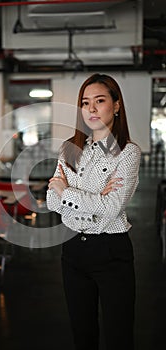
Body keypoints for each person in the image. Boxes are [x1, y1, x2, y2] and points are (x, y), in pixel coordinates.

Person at [46, 73, 141, 350]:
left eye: (100, 101)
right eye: (86, 103)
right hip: (73, 250)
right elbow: (52, 202)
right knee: (82, 333)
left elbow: (111, 210)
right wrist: (94, 200)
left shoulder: (127, 153)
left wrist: (68, 192)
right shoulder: (69, 149)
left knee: (119, 335)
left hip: (112, 252)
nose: (91, 109)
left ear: (117, 105)